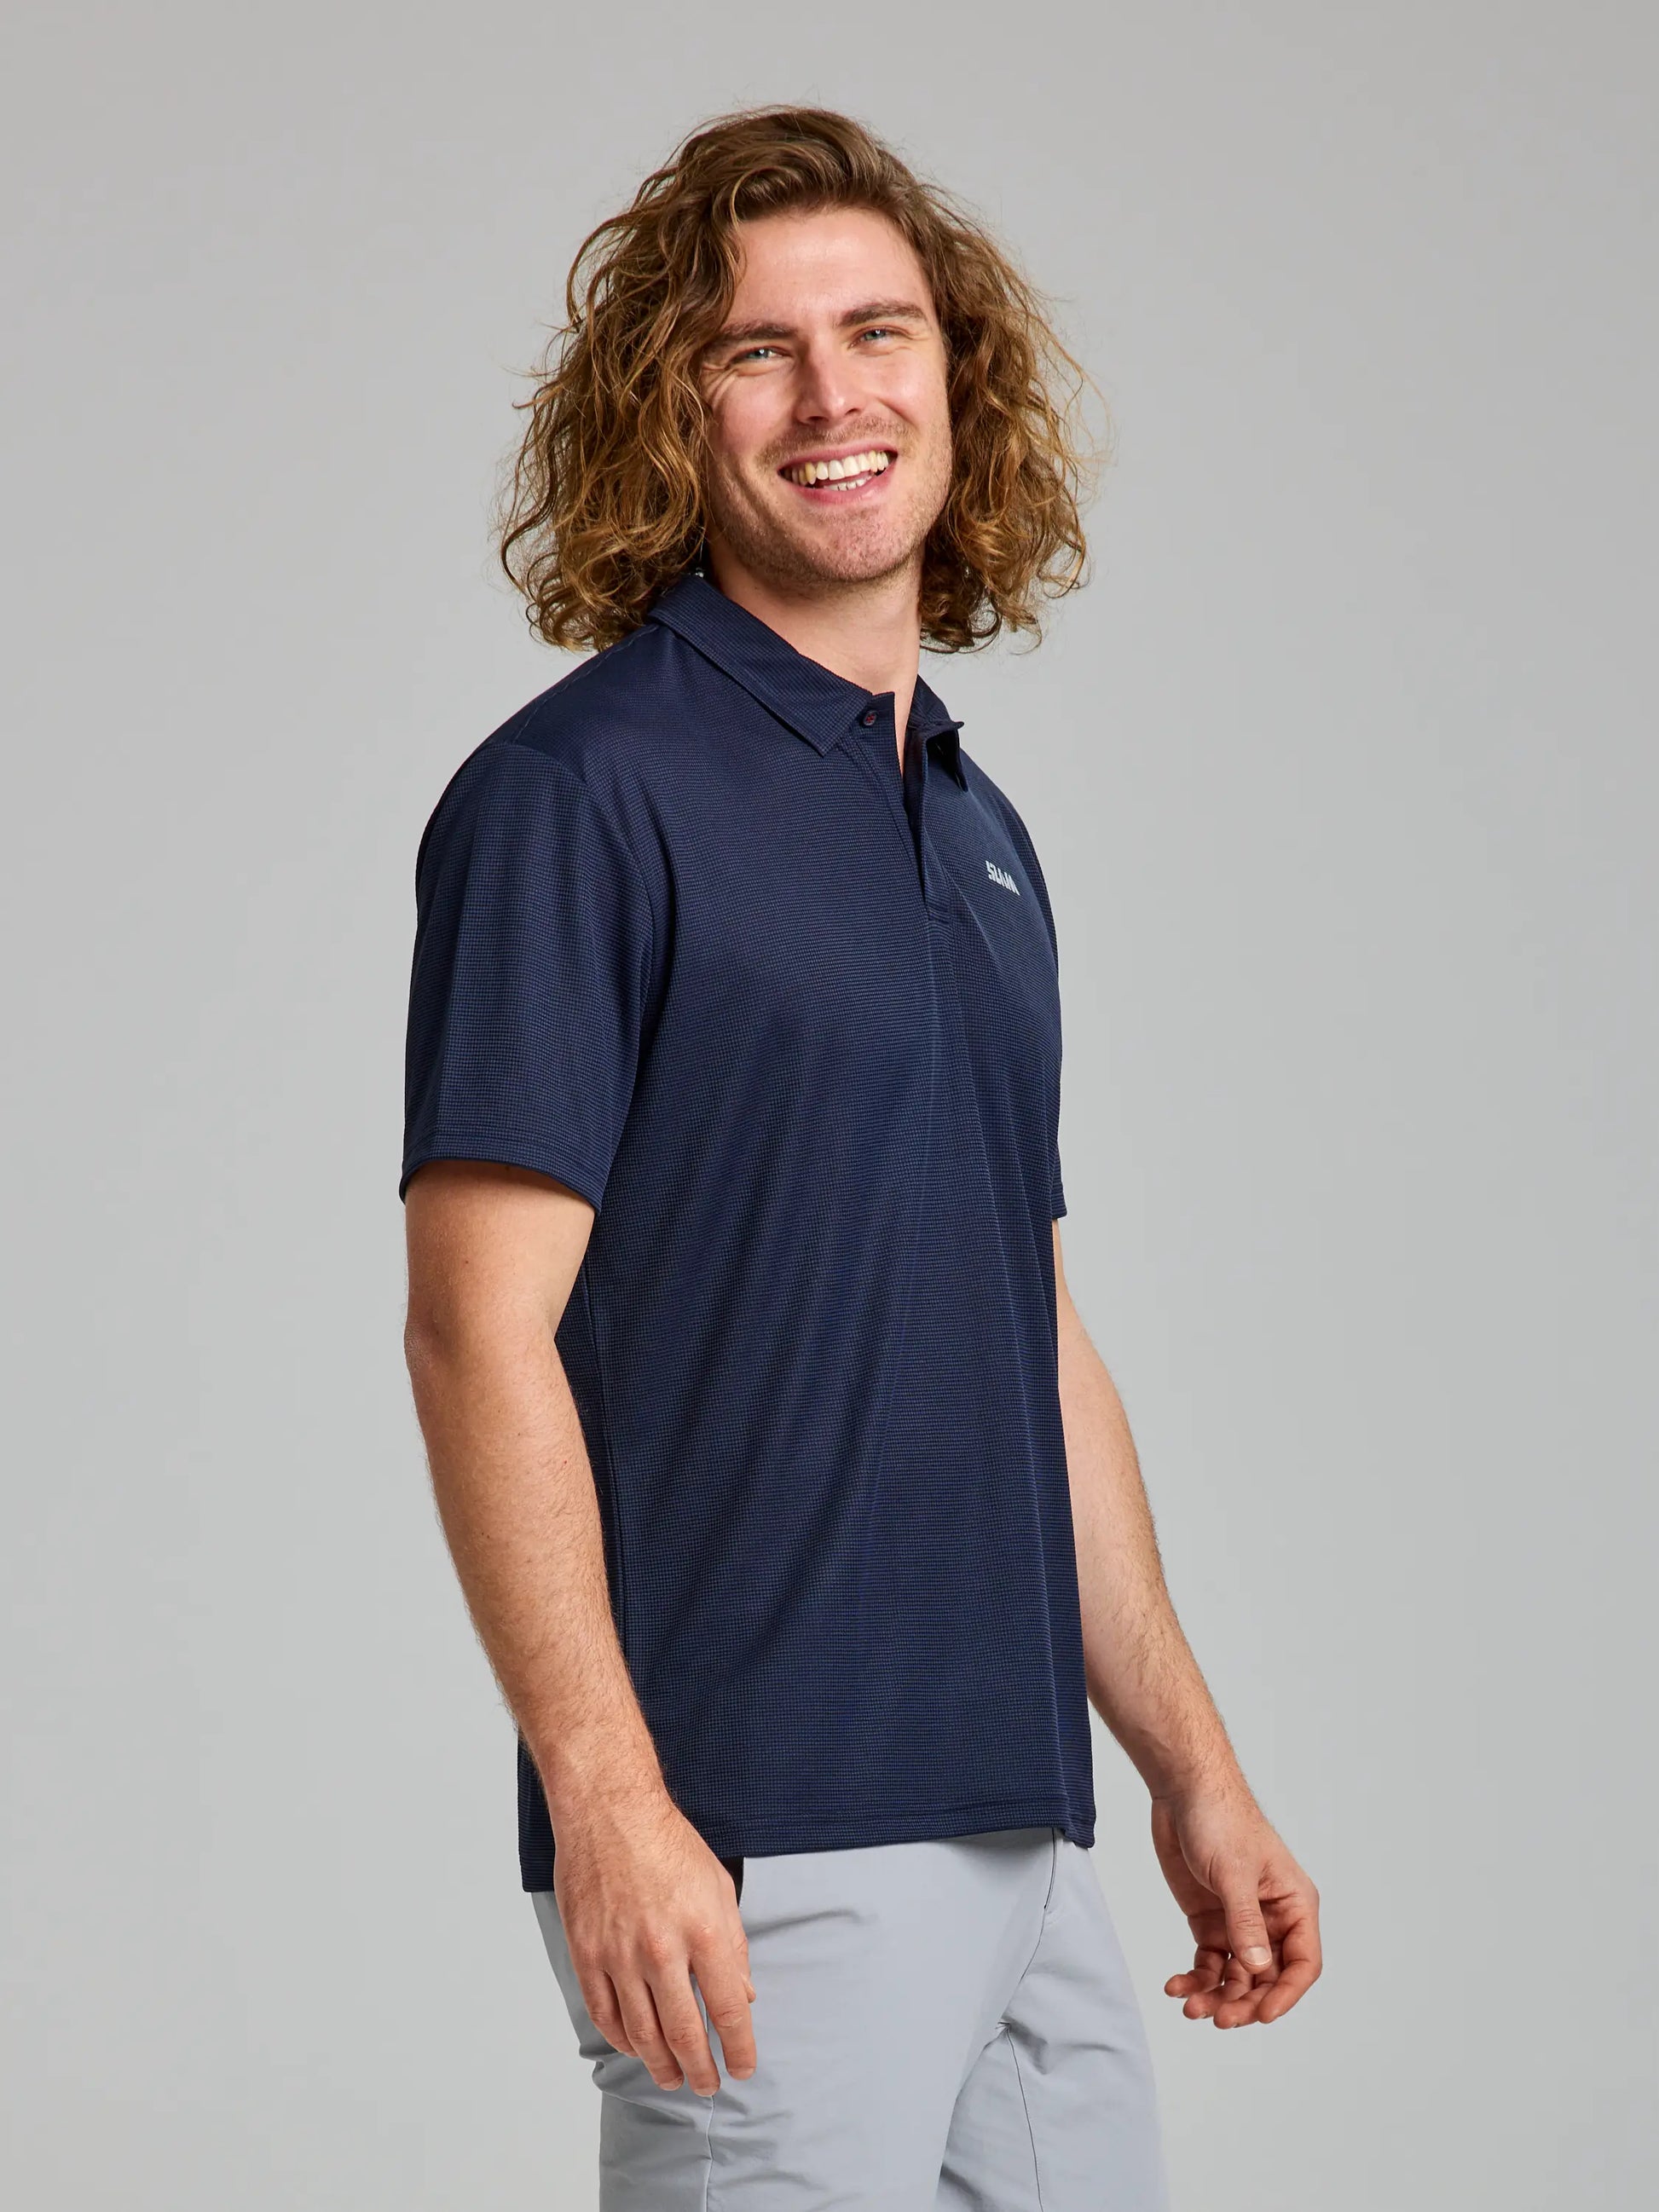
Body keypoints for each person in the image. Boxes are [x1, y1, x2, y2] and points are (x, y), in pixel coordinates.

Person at [401, 105, 1321, 2209]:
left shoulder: (976, 826)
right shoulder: (582, 795)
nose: (833, 397)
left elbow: (1031, 1335)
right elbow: (473, 1333)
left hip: (1025, 1826)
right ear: (672, 410)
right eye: (758, 349)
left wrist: (1190, 1767)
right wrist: (609, 1796)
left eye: (878, 332)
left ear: (955, 377)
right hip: (759, 1827)